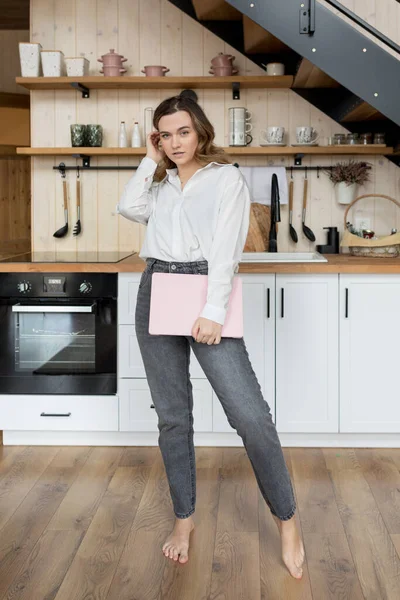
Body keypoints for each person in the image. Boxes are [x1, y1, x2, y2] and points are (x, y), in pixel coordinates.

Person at [118, 90, 305, 578]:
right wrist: (149, 157)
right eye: (166, 134)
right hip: (156, 285)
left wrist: (214, 310)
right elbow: (128, 206)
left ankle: (287, 519)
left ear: (200, 131)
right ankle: (184, 520)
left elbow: (226, 249)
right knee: (173, 418)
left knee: (250, 415)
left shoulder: (225, 178)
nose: (176, 142)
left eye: (184, 131)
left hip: (205, 288)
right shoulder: (158, 184)